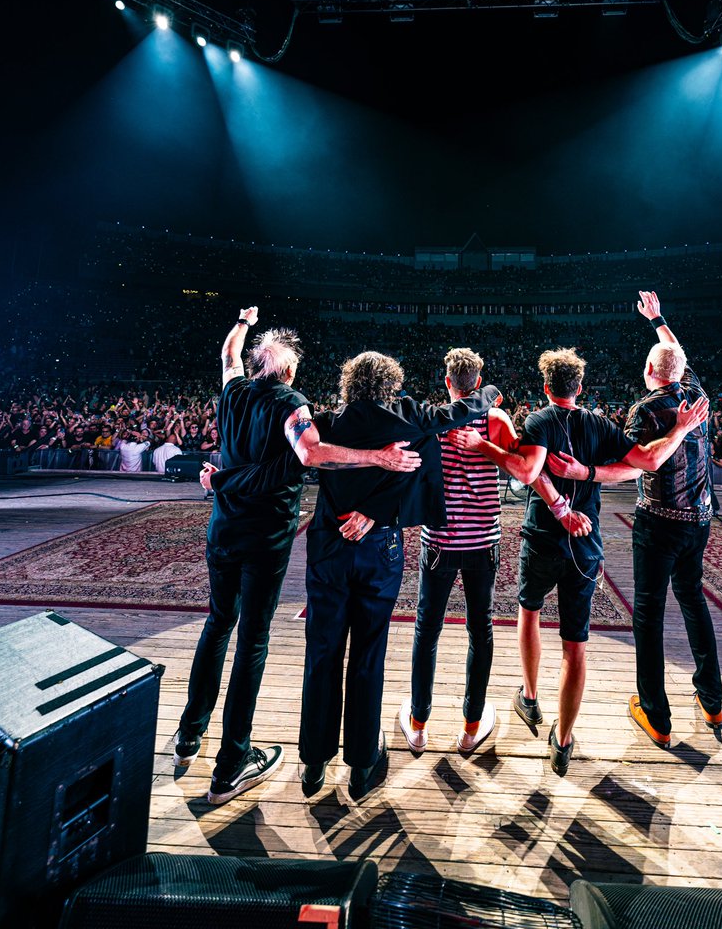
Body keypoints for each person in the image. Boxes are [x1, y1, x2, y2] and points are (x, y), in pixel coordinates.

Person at [175, 310, 422, 806]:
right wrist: (378, 457)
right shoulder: (292, 402)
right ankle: (230, 764)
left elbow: (226, 356)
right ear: (288, 371)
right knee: (252, 641)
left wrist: (242, 323)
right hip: (263, 536)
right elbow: (310, 454)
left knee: (218, 623)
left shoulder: (233, 389)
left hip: (222, 528)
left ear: (255, 365)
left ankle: (188, 735)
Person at [450, 346, 708, 776]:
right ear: (581, 387)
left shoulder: (537, 420)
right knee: (576, 647)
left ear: (547, 387)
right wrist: (680, 429)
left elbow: (528, 472)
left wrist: (485, 447)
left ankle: (530, 698)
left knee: (528, 614)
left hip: (544, 537)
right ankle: (564, 739)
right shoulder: (600, 424)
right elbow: (647, 462)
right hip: (586, 543)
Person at [300, 351, 502, 801]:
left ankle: (313, 764)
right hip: (379, 548)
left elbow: (303, 458)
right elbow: (463, 411)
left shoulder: (326, 422)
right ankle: (360, 767)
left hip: (329, 546)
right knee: (368, 655)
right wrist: (488, 392)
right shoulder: (408, 416)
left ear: (349, 383)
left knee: (322, 653)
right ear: (391, 384)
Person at [399, 347, 519, 757]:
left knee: (426, 631)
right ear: (479, 381)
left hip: (440, 541)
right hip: (483, 541)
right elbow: (521, 469)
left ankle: (418, 725)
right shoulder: (497, 419)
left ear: (447, 381)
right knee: (479, 630)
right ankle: (470, 727)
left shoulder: (434, 422)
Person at [620, 291, 722, 749]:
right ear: (680, 373)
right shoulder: (699, 397)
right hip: (698, 522)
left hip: (659, 525)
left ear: (647, 373)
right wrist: (659, 320)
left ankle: (656, 715)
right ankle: (712, 700)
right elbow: (677, 355)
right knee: (693, 601)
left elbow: (633, 463)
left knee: (648, 613)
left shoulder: (644, 411)